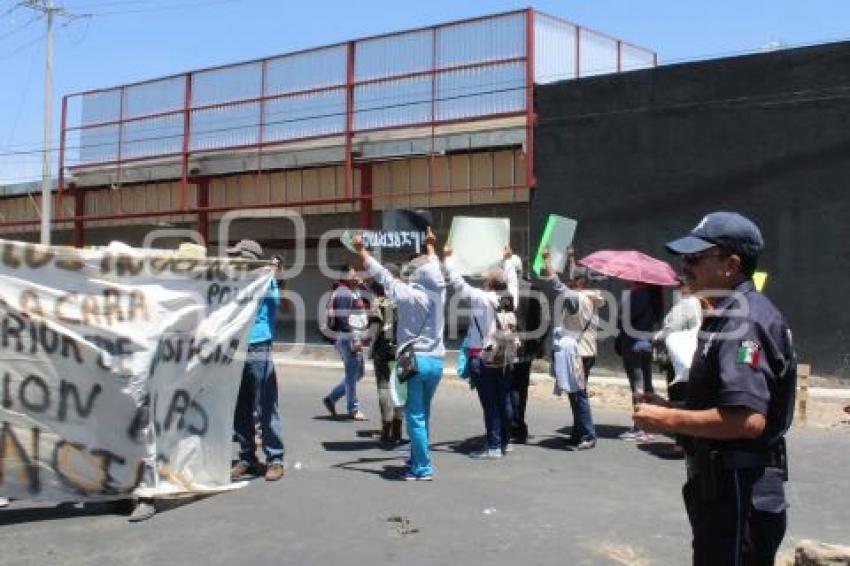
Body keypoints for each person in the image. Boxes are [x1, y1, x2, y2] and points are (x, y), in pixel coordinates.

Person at [633, 212, 796, 565]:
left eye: (695, 258)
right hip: (723, 488)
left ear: (731, 265)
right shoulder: (727, 314)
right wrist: (672, 407)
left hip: (739, 491)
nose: (685, 266)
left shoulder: (744, 321)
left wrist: (669, 419)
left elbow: (746, 421)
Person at [353, 228, 446, 481]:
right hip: (436, 360)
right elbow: (435, 265)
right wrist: (430, 246)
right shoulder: (440, 293)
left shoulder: (407, 294)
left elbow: (381, 274)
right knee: (423, 413)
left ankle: (422, 468)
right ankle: (417, 458)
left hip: (412, 359)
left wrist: (361, 250)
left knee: (414, 416)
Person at [444, 244, 519, 459]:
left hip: (482, 356)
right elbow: (512, 282)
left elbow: (457, 283)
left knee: (490, 404)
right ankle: (505, 442)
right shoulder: (510, 299)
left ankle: (494, 446)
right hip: (504, 356)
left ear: (488, 283)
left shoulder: (481, 297)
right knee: (504, 399)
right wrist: (509, 260)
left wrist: (449, 258)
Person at [230, 239, 286, 482]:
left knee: (265, 404)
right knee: (240, 406)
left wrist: (269, 273)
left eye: (240, 257)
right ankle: (247, 457)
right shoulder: (233, 282)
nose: (235, 261)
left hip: (258, 345)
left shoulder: (267, 281)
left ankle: (275, 458)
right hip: (236, 348)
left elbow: (274, 301)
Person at [543, 248, 604, 450]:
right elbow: (571, 279)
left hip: (578, 352)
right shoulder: (592, 297)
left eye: (573, 280)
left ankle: (588, 434)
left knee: (578, 394)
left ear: (580, 283)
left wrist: (547, 262)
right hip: (587, 351)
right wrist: (571, 258)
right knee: (574, 393)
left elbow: (558, 286)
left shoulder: (576, 298)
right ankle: (578, 432)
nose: (570, 281)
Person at [615, 281, 661, 441]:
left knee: (637, 386)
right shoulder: (655, 296)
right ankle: (650, 425)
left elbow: (623, 319)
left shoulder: (636, 295)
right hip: (646, 344)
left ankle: (640, 427)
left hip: (633, 344)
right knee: (647, 385)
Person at [322, 267, 368, 421]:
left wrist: (362, 285)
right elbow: (342, 320)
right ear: (345, 276)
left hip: (352, 336)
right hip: (348, 337)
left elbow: (371, 299)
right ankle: (353, 409)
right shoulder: (343, 292)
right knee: (352, 374)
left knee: (358, 373)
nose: (357, 275)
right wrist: (354, 338)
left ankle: (332, 398)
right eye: (353, 273)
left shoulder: (352, 290)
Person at [510, 261, 547, 444]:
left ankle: (511, 426)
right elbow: (545, 320)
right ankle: (518, 426)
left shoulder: (504, 289)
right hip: (528, 348)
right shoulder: (536, 290)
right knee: (521, 387)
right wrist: (539, 343)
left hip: (508, 347)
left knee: (507, 386)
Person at [366, 279, 404, 445]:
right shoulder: (404, 300)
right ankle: (398, 426)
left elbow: (374, 330)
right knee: (400, 388)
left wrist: (369, 347)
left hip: (383, 349)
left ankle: (386, 426)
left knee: (383, 386)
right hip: (403, 350)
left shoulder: (378, 302)